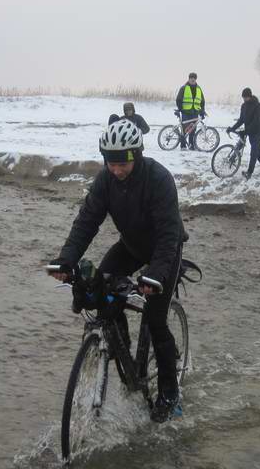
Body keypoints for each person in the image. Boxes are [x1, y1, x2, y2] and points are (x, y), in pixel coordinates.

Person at [47, 118, 187, 423]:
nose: (116, 169)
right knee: (100, 289)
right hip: (132, 246)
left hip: (165, 250)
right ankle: (120, 346)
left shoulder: (158, 179)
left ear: (136, 154)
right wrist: (66, 260)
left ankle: (169, 393)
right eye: (110, 162)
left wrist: (157, 275)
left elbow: (168, 235)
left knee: (156, 319)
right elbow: (86, 222)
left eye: (122, 163)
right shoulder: (105, 182)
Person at [228, 87, 260, 179]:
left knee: (254, 151)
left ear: (250, 96)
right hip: (250, 131)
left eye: (246, 97)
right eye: (243, 97)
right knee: (258, 151)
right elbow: (241, 120)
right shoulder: (244, 106)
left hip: (258, 131)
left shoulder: (258, 106)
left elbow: (256, 121)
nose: (245, 99)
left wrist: (245, 131)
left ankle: (249, 172)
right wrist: (232, 128)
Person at [175, 72, 206, 150]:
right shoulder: (184, 88)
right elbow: (178, 99)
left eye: (194, 78)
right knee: (185, 129)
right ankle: (183, 146)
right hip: (185, 112)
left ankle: (191, 145)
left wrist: (202, 111)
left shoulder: (199, 89)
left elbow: (202, 102)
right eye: (191, 78)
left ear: (196, 79)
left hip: (195, 112)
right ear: (189, 79)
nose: (192, 79)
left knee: (192, 130)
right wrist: (180, 109)